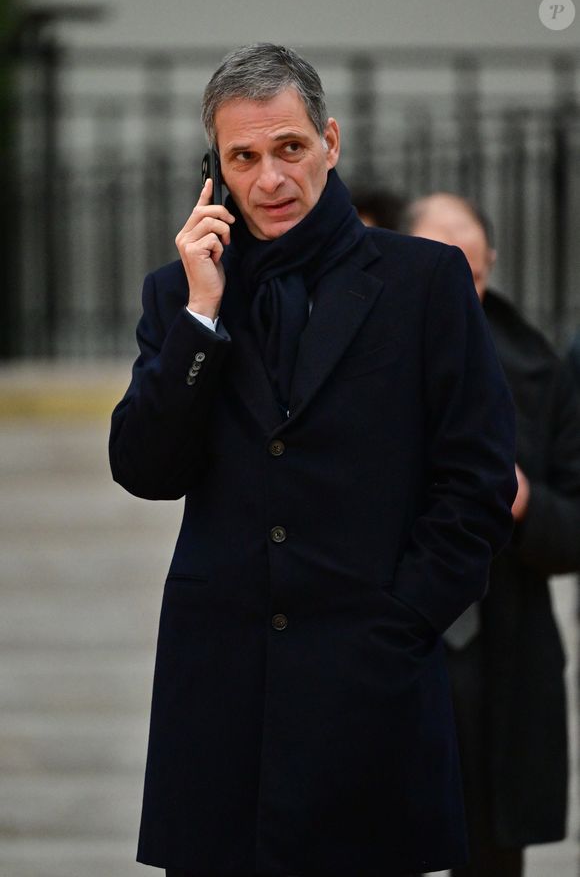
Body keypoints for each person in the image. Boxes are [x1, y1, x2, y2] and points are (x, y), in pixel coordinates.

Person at [109, 45, 517, 877]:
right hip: (221, 701)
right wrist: (200, 320)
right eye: (243, 158)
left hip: (370, 690)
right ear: (214, 170)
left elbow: (475, 479)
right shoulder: (180, 294)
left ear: (329, 140)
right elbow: (146, 468)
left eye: (288, 148)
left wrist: (399, 624)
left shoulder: (425, 282)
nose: (269, 179)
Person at [406, 192, 580, 877]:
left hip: (502, 656)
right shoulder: (361, 362)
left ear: (492, 270)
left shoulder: (542, 373)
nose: (459, 294)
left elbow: (573, 530)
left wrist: (522, 500)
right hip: (398, 642)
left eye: (472, 277)